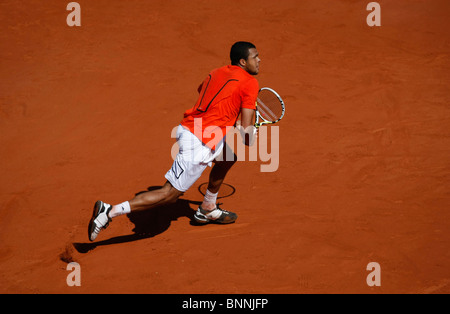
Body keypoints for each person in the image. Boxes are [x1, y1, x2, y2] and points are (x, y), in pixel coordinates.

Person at [88, 41, 261, 242]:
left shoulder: (216, 72)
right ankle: (109, 211)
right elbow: (247, 138)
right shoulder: (250, 83)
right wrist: (249, 133)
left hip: (195, 127)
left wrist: (230, 118)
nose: (259, 60)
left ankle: (207, 207)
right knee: (169, 194)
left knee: (228, 157)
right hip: (199, 140)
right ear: (242, 61)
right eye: (255, 57)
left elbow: (204, 92)